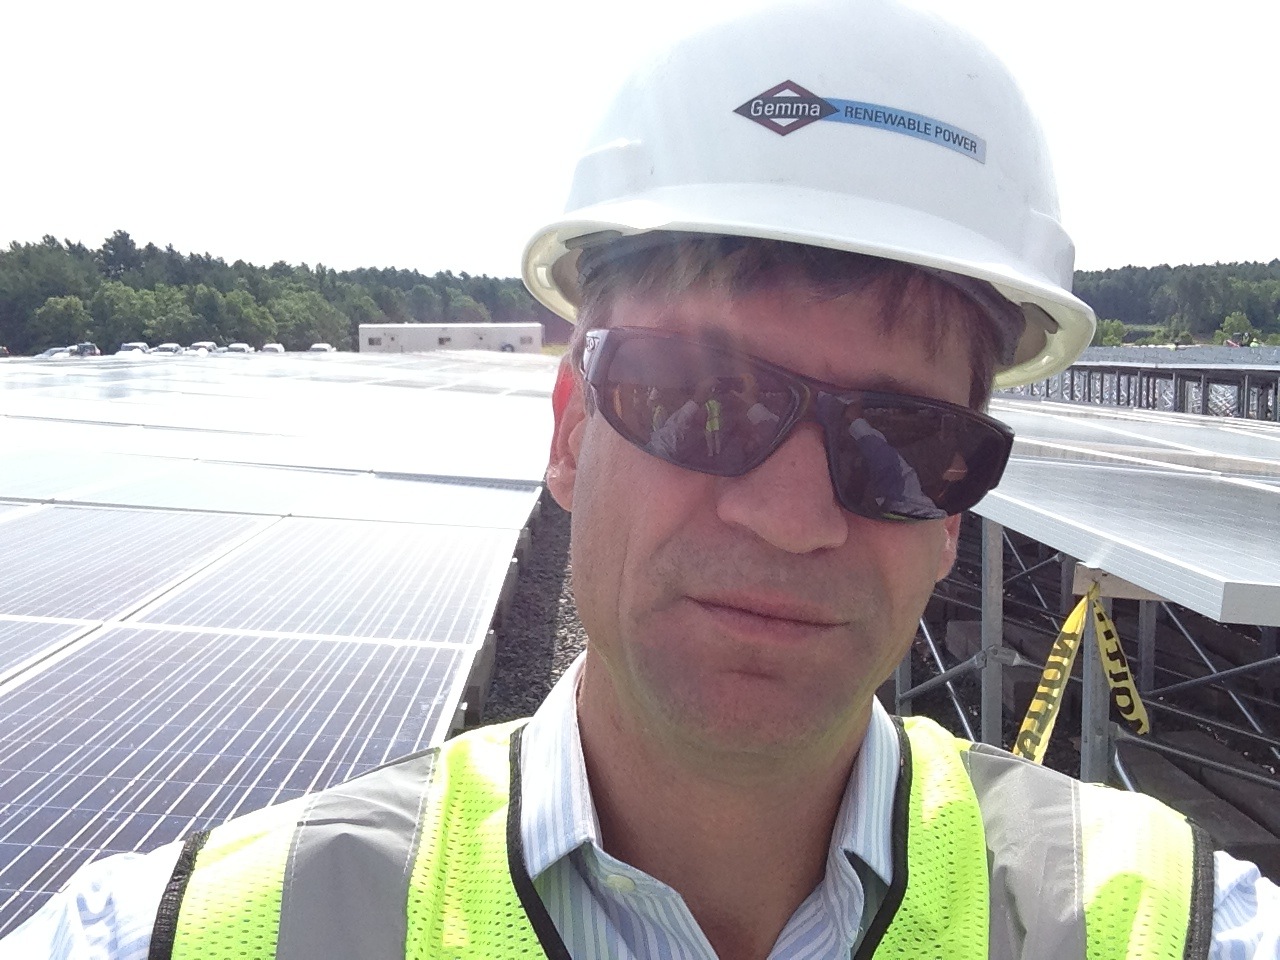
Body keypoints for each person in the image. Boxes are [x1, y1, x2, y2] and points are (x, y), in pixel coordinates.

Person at [6, 2, 1279, 958]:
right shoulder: (187, 932)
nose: (786, 519)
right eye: (698, 401)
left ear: (954, 512)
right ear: (567, 431)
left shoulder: (1160, 924)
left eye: (900, 443)